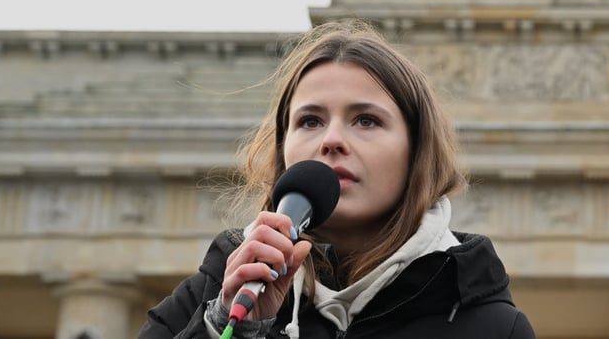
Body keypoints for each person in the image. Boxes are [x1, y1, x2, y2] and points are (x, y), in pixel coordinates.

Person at [139, 19, 537, 339]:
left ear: (417, 153)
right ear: (283, 151)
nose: (331, 140)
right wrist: (231, 328)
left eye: (366, 120)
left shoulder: (493, 328)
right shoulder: (208, 299)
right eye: (310, 121)